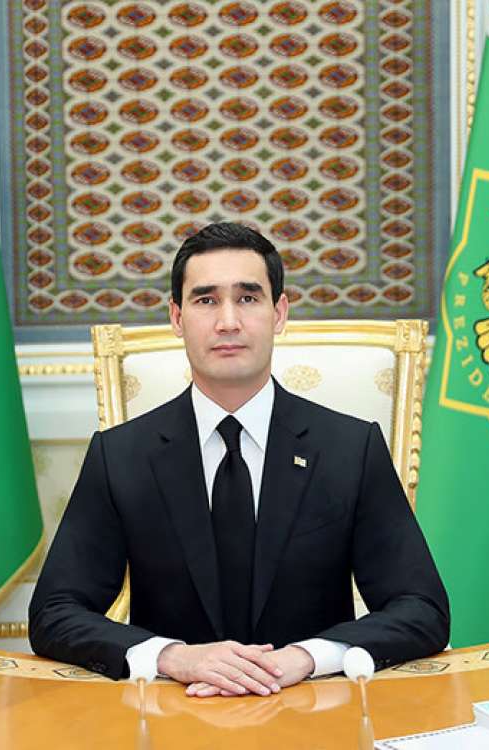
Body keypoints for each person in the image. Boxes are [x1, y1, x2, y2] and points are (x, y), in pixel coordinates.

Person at [29, 222, 449, 697]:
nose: (228, 321)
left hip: (313, 709)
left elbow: (422, 608)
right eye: (206, 300)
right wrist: (174, 657)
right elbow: (54, 613)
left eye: (248, 298)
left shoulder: (350, 448)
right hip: (175, 711)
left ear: (279, 313)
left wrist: (307, 657)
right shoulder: (121, 454)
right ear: (176, 317)